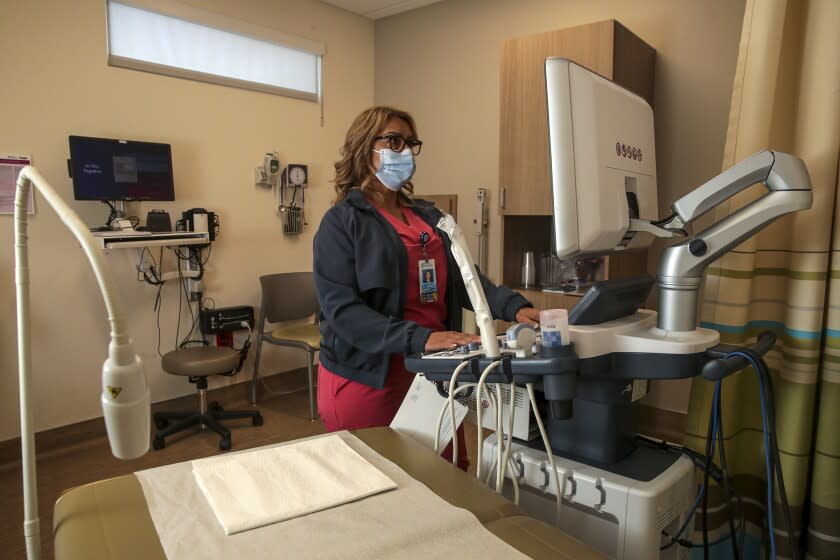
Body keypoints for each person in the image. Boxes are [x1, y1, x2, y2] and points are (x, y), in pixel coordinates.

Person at [313, 106, 540, 470]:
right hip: (370, 376)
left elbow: (466, 278)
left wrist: (512, 306)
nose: (404, 151)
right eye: (394, 140)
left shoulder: (429, 217)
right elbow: (343, 313)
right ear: (363, 146)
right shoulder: (342, 223)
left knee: (446, 476)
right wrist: (420, 338)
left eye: (410, 143)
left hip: (432, 372)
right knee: (383, 490)